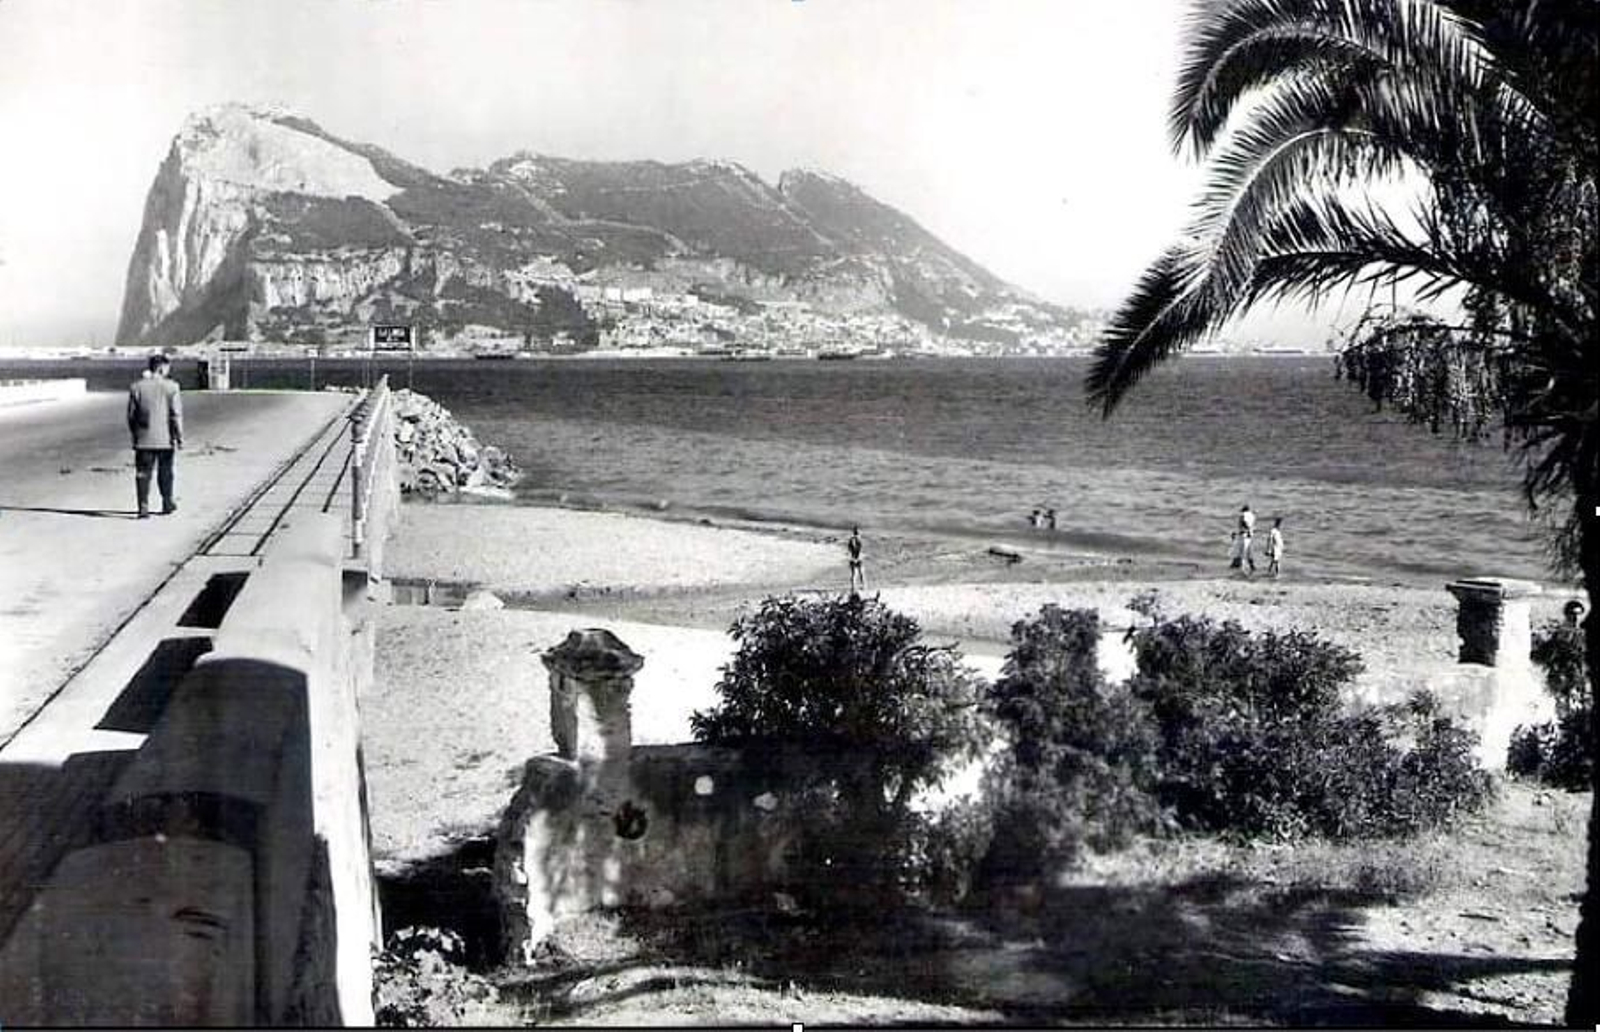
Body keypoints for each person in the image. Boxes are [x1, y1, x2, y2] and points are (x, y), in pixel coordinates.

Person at [127, 353, 184, 518]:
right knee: (165, 472)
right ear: (161, 368)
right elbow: (175, 415)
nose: (168, 371)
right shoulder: (172, 387)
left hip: (144, 439)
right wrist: (179, 437)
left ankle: (143, 506)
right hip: (165, 439)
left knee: (143, 473)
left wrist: (135, 434)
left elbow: (131, 415)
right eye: (167, 368)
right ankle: (167, 502)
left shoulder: (136, 387)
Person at [1232, 504, 1256, 574]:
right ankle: (1252, 568)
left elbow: (1244, 522)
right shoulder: (1252, 515)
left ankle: (1242, 569)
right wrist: (1250, 530)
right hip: (1250, 536)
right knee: (1249, 553)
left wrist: (1247, 529)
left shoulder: (1243, 515)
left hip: (1243, 535)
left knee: (1242, 553)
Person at [847, 525, 866, 595]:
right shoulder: (858, 539)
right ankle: (863, 587)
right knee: (861, 573)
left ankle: (853, 588)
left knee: (854, 574)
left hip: (852, 558)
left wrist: (853, 557)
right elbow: (858, 549)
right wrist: (857, 557)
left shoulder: (851, 539)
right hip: (858, 558)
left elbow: (849, 549)